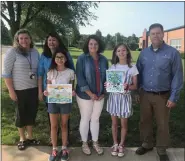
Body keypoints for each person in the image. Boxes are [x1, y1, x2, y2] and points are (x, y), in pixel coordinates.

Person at [135, 23, 183, 161]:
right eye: (153, 33)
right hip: (145, 94)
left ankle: (161, 149)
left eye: (158, 33)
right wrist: (137, 92)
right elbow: (137, 73)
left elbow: (177, 76)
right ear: (149, 36)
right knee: (145, 121)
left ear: (163, 34)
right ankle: (147, 143)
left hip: (163, 96)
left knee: (162, 123)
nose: (155, 36)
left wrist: (174, 97)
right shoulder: (144, 53)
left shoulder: (172, 53)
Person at [2, 29, 40, 150]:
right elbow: (6, 74)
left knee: (31, 112)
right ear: (17, 40)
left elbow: (38, 70)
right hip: (19, 89)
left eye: (26, 38)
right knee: (21, 113)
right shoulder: (12, 52)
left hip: (33, 88)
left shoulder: (34, 52)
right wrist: (11, 91)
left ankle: (30, 137)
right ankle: (22, 138)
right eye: (21, 38)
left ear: (30, 39)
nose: (24, 40)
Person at [37, 32, 75, 145]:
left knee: (64, 119)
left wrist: (71, 91)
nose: (51, 42)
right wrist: (40, 91)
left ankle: (65, 139)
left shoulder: (66, 54)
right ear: (46, 42)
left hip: (65, 94)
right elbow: (40, 74)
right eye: (49, 40)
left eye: (54, 40)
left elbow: (72, 74)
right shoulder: (44, 56)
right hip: (50, 93)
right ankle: (53, 138)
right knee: (52, 118)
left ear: (58, 41)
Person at [76, 35, 108, 155]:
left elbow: (107, 78)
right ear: (87, 45)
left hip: (100, 95)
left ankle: (95, 142)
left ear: (99, 45)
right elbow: (80, 78)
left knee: (95, 119)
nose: (93, 46)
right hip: (84, 95)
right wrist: (90, 94)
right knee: (85, 118)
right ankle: (84, 143)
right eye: (91, 44)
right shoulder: (82, 59)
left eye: (95, 44)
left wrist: (103, 93)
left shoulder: (104, 60)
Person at [105, 43, 138, 157]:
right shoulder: (113, 67)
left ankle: (121, 144)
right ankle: (115, 143)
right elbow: (110, 84)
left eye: (123, 50)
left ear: (127, 52)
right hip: (114, 98)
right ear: (115, 53)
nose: (121, 52)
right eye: (118, 51)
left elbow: (135, 85)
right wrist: (107, 84)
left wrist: (127, 86)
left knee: (124, 124)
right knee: (114, 123)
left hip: (125, 99)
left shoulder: (132, 68)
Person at [43, 48, 75, 161]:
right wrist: (46, 92)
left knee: (64, 125)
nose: (60, 59)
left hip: (65, 102)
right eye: (57, 57)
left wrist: (72, 92)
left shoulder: (70, 72)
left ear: (66, 59)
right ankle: (54, 149)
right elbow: (48, 87)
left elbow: (72, 86)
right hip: (53, 102)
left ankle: (64, 148)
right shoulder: (50, 72)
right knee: (54, 126)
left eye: (62, 57)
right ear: (54, 59)